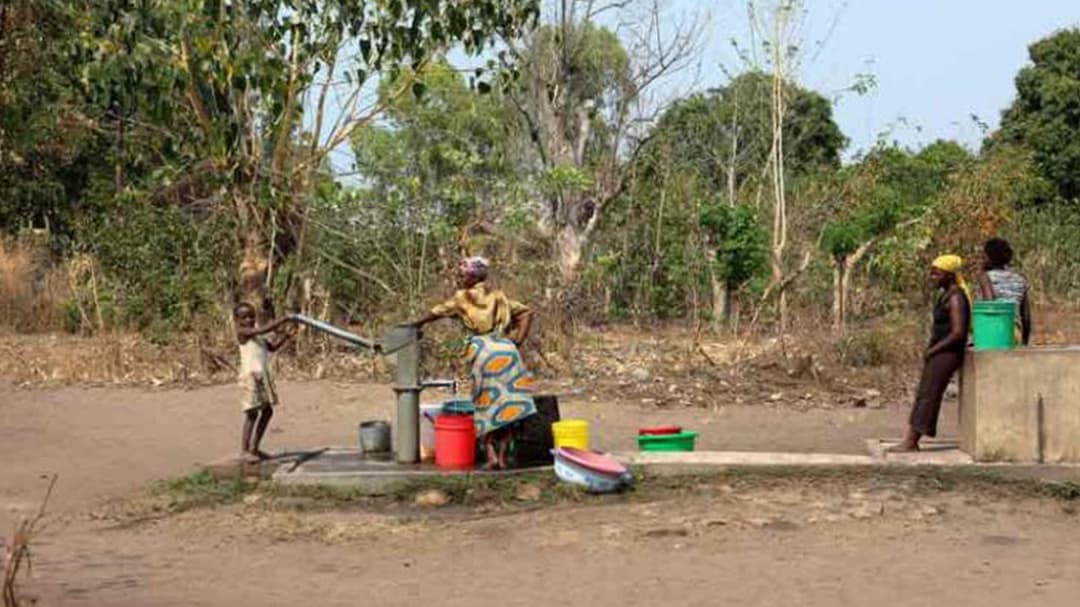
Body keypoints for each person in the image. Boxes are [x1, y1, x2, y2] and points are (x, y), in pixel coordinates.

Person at [406, 257, 536, 470]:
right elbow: (526, 313)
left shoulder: (463, 298)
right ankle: (503, 457)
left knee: (485, 404)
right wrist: (518, 339)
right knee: (509, 406)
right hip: (508, 352)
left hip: (484, 353)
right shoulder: (499, 296)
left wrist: (414, 324)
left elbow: (436, 312)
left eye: (463, 274)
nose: (460, 278)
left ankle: (492, 456)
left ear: (474, 277)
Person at [889, 254, 971, 453]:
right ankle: (911, 440)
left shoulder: (956, 297)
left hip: (947, 353)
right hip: (941, 351)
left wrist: (934, 349)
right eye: (932, 273)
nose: (932, 277)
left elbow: (959, 332)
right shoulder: (946, 295)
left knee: (929, 395)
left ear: (950, 276)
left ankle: (911, 442)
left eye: (937, 274)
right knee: (925, 394)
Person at [234, 302, 296, 461]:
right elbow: (263, 329)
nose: (249, 319)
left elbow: (272, 348)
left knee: (267, 411)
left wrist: (286, 336)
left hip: (262, 377)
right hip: (251, 377)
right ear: (237, 320)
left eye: (252, 316)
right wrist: (284, 319)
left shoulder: (257, 337)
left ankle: (254, 449)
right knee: (252, 414)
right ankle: (244, 451)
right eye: (245, 317)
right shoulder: (243, 332)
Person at [975, 237, 1032, 346]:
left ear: (987, 257)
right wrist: (1025, 342)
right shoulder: (1019, 280)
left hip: (995, 334)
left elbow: (990, 307)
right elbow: (1026, 316)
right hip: (1015, 333)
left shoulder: (985, 278)